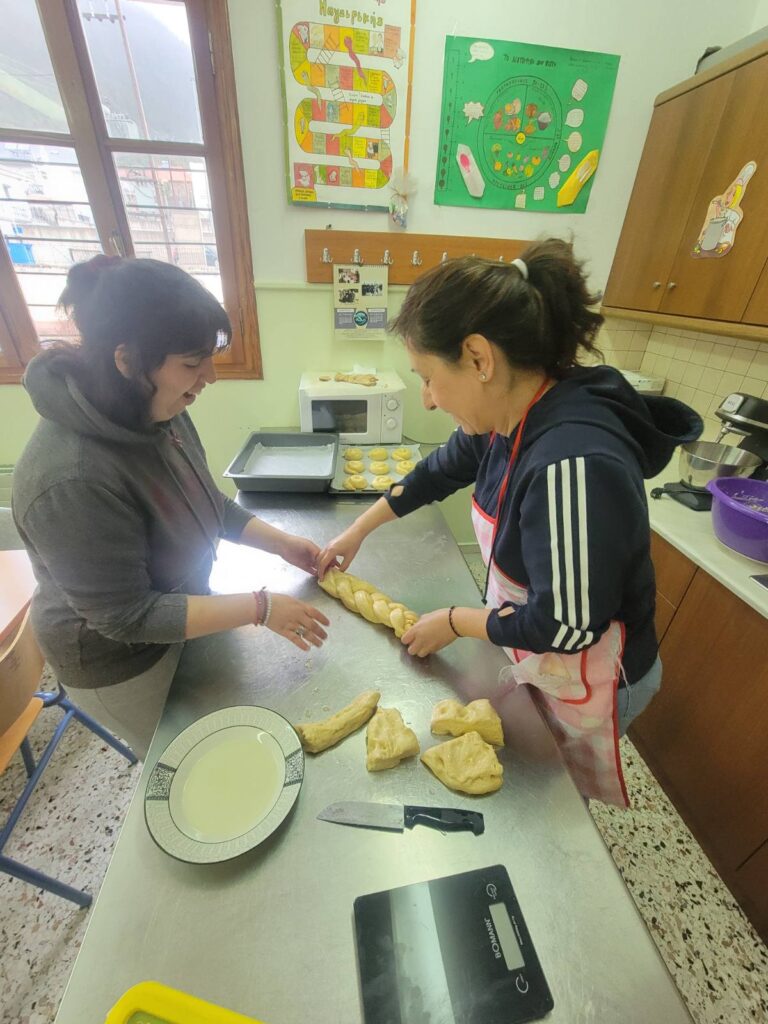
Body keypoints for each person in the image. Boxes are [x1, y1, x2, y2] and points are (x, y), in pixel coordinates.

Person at [318, 239, 702, 805]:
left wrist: (456, 620)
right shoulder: (508, 414)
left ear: (479, 359)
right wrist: (357, 530)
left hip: (590, 673)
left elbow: (567, 625)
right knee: (529, 770)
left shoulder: (571, 464)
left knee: (550, 796)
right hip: (538, 651)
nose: (426, 400)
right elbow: (438, 470)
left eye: (428, 377)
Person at [13, 256, 329, 759]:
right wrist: (261, 607)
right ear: (127, 361)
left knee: (225, 733)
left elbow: (202, 499)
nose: (210, 377)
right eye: (192, 363)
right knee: (194, 760)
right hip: (122, 661)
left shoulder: (157, 409)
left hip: (186, 608)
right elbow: (127, 616)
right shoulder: (69, 478)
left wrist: (282, 544)